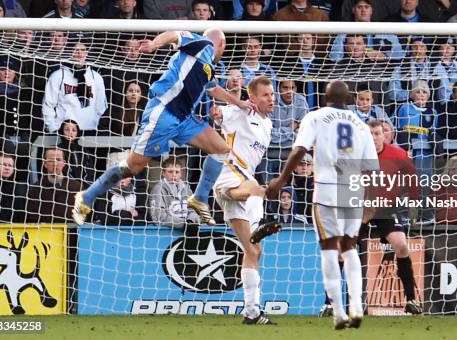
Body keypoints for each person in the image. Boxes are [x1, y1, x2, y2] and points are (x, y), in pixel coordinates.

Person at [72, 29, 253, 227]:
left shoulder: (207, 64)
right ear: (222, 44)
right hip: (164, 113)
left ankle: (199, 198)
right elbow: (175, 34)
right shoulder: (203, 44)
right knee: (133, 167)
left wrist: (239, 103)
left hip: (184, 119)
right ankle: (86, 197)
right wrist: (154, 44)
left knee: (221, 150)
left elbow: (212, 89)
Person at [268, 81, 379, 329]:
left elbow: (299, 150)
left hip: (327, 190)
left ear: (325, 97)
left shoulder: (315, 117)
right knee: (350, 248)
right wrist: (369, 201)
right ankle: (357, 307)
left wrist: (281, 180)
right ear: (349, 99)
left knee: (329, 249)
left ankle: (339, 312)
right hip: (353, 191)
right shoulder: (360, 125)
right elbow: (371, 168)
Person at [209, 75, 279, 325]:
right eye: (265, 95)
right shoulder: (241, 112)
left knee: (253, 250)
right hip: (228, 174)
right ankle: (255, 213)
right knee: (257, 189)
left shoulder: (268, 125)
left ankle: (252, 311)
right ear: (253, 98)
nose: (271, 98)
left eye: (272, 94)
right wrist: (218, 111)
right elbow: (213, 102)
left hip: (240, 184)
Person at [360, 119, 422, 314]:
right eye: (370, 134)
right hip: (359, 208)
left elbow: (413, 181)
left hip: (386, 209)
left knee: (401, 245)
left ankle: (411, 300)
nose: (374, 138)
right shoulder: (355, 155)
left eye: (377, 133)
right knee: (343, 248)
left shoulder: (398, 154)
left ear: (385, 135)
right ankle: (330, 302)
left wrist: (413, 202)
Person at [42, 41, 108, 134]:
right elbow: (48, 105)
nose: (79, 53)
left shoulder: (96, 77)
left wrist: (96, 126)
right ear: (70, 53)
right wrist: (53, 128)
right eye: (76, 50)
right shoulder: (58, 75)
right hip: (65, 133)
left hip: (89, 131)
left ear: (87, 53)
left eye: (83, 50)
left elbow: (101, 108)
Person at [27, 147, 82, 223]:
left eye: (58, 160)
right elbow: (32, 217)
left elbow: (83, 215)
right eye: (51, 161)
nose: (55, 164)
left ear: (64, 163)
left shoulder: (76, 187)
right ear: (45, 164)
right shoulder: (35, 189)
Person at [148, 156, 200, 228]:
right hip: (165, 232)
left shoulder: (187, 188)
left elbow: (194, 210)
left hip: (188, 228)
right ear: (163, 173)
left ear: (181, 173)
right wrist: (184, 224)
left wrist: (190, 222)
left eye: (177, 172)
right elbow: (158, 217)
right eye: (170, 172)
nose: (174, 175)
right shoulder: (158, 189)